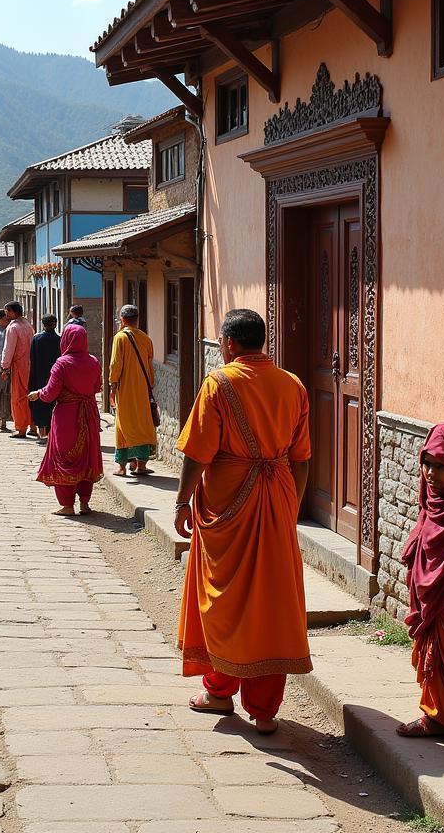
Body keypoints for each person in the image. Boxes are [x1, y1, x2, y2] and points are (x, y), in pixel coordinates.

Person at [174, 308, 311, 735]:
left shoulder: (219, 383)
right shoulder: (293, 385)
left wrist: (182, 500)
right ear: (262, 342)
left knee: (223, 598)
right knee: (272, 599)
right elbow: (301, 458)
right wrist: (290, 505)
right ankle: (265, 709)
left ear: (229, 344)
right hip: (277, 496)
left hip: (228, 500)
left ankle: (218, 690)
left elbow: (198, 453)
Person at [397, 420, 444, 738]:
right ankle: (436, 718)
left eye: (441, 466)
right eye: (426, 464)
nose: (431, 474)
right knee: (436, 664)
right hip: (438, 611)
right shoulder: (431, 507)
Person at [29, 324, 103, 516]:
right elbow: (97, 387)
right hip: (90, 415)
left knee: (64, 457)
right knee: (86, 457)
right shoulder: (94, 362)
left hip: (67, 416)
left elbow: (50, 393)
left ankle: (67, 504)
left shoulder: (61, 364)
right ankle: (85, 503)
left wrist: (38, 394)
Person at [109, 304, 157, 476]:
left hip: (125, 388)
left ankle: (122, 466)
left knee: (123, 424)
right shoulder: (145, 338)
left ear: (122, 319)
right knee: (143, 424)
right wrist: (150, 386)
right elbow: (150, 365)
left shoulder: (119, 338)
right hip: (142, 389)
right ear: (137, 319)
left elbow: (116, 364)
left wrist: (112, 385)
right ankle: (141, 465)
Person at [1, 300, 36, 439]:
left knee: (19, 397)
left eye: (8, 311)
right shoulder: (28, 325)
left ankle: (21, 428)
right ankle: (33, 426)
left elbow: (8, 349)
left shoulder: (13, 327)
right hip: (30, 364)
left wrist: (5, 367)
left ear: (14, 312)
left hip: (18, 365)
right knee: (31, 395)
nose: (6, 314)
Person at [29, 315, 62, 438]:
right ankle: (51, 433)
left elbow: (31, 360)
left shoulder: (36, 339)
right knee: (52, 403)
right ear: (55, 324)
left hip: (38, 376)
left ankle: (41, 432)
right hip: (55, 377)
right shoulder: (59, 340)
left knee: (40, 403)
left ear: (43, 324)